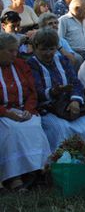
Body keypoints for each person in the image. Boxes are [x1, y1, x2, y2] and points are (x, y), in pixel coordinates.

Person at [27, 28, 85, 153]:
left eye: (51, 49)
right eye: (43, 49)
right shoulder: (31, 64)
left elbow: (75, 82)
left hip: (68, 104)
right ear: (35, 48)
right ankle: (62, 165)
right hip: (47, 108)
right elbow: (35, 90)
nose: (48, 53)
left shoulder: (62, 60)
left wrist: (75, 101)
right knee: (60, 128)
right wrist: (53, 92)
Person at [0, 33, 51, 190]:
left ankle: (38, 171)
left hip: (23, 109)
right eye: (10, 51)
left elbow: (32, 92)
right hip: (3, 113)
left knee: (34, 126)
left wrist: (29, 110)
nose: (15, 54)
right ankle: (14, 177)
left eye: (16, 50)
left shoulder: (21, 65)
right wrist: (7, 113)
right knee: (12, 129)